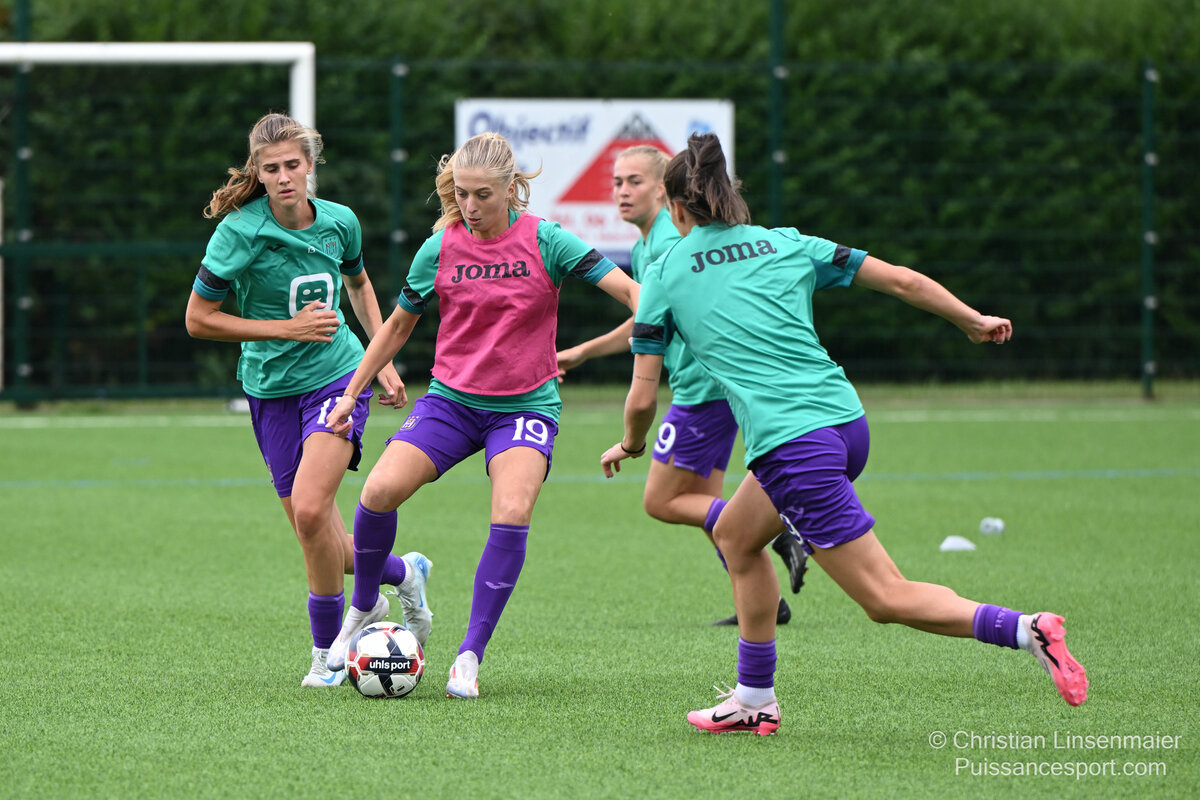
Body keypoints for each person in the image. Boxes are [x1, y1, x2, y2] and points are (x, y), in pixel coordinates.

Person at [601, 132, 1088, 735]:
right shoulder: (786, 242)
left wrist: (631, 443)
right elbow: (902, 281)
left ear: (675, 208)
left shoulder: (665, 270)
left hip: (792, 446)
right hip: (845, 422)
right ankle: (754, 698)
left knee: (884, 598)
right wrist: (972, 320)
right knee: (735, 536)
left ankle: (1026, 629)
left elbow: (643, 396)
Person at [323, 131, 640, 699]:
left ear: (511, 189)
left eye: (482, 195)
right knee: (377, 491)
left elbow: (632, 294)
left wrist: (663, 319)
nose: (469, 206)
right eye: (461, 194)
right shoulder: (439, 247)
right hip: (452, 401)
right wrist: (352, 392)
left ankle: (468, 655)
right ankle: (365, 606)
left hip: (524, 407)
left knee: (512, 511)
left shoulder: (547, 240)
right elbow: (396, 326)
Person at [184, 112, 426, 689]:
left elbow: (359, 285)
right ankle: (403, 573)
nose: (284, 177)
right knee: (315, 535)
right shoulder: (239, 232)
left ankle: (326, 652)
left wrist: (380, 361)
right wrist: (285, 329)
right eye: (271, 169)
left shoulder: (340, 221)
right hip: (269, 391)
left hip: (337, 379)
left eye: (293, 165)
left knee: (313, 511)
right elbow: (198, 319)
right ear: (258, 172)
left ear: (310, 165)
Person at [558, 145, 806, 627]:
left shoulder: (673, 239)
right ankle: (763, 602)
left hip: (700, 388)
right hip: (709, 387)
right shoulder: (644, 246)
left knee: (662, 500)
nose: (622, 191)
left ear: (663, 191)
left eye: (634, 181)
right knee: (703, 500)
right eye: (616, 182)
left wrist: (587, 354)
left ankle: (778, 529)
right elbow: (647, 323)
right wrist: (584, 352)